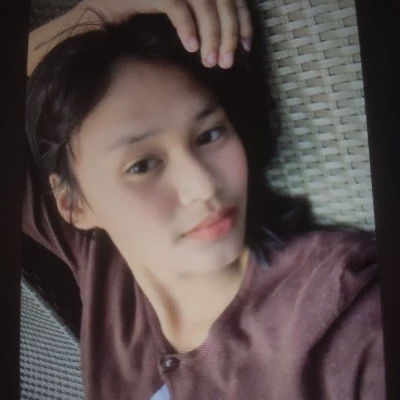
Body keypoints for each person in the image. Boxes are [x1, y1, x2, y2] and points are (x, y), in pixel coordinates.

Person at [24, 1, 385, 399]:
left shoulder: (343, 313)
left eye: (210, 135)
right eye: (142, 165)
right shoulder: (100, 259)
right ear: (74, 206)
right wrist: (101, 11)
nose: (204, 186)